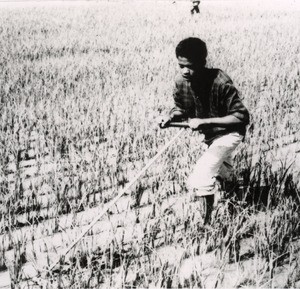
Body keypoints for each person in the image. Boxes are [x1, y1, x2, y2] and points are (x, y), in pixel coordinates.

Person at [158, 37, 250, 205]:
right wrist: (170, 117)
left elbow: (241, 117)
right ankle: (240, 198)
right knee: (224, 173)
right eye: (181, 66)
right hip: (210, 136)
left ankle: (206, 226)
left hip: (230, 134)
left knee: (202, 176)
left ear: (202, 62)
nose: (185, 71)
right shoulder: (181, 82)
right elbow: (181, 108)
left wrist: (204, 122)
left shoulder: (220, 81)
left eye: (190, 66)